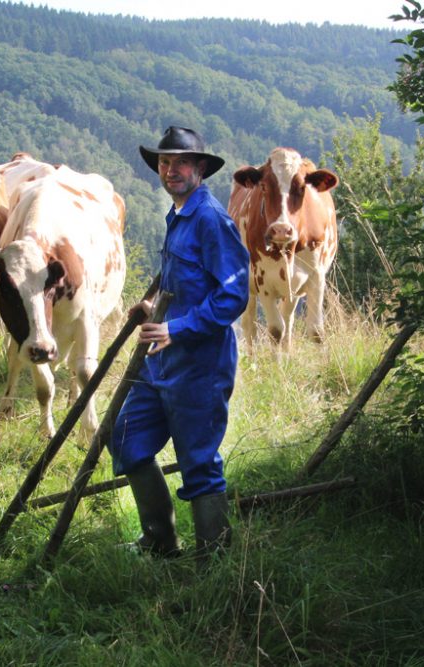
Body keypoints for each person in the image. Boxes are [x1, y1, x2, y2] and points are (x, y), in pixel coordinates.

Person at [110, 126, 250, 557]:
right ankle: (160, 542)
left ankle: (213, 564)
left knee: (199, 464)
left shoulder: (211, 220)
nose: (170, 170)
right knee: (127, 439)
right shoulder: (179, 215)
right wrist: (152, 308)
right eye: (164, 163)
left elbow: (233, 295)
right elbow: (183, 283)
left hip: (200, 366)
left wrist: (176, 328)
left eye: (181, 163)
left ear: (201, 168)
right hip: (160, 363)